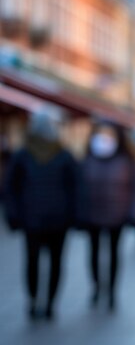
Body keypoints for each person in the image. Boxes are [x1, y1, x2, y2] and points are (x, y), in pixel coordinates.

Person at [2, 109, 77, 320]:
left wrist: (74, 215)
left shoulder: (62, 155)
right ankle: (35, 300)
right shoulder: (24, 155)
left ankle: (50, 303)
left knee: (52, 263)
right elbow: (11, 188)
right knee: (34, 263)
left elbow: (75, 187)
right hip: (34, 219)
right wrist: (13, 215)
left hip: (55, 220)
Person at [77, 121, 135, 311]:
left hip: (118, 215)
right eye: (101, 133)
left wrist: (134, 213)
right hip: (92, 215)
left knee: (114, 254)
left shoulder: (128, 160)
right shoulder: (88, 158)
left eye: (109, 134)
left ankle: (112, 291)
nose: (104, 138)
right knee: (94, 253)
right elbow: (78, 187)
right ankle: (97, 286)